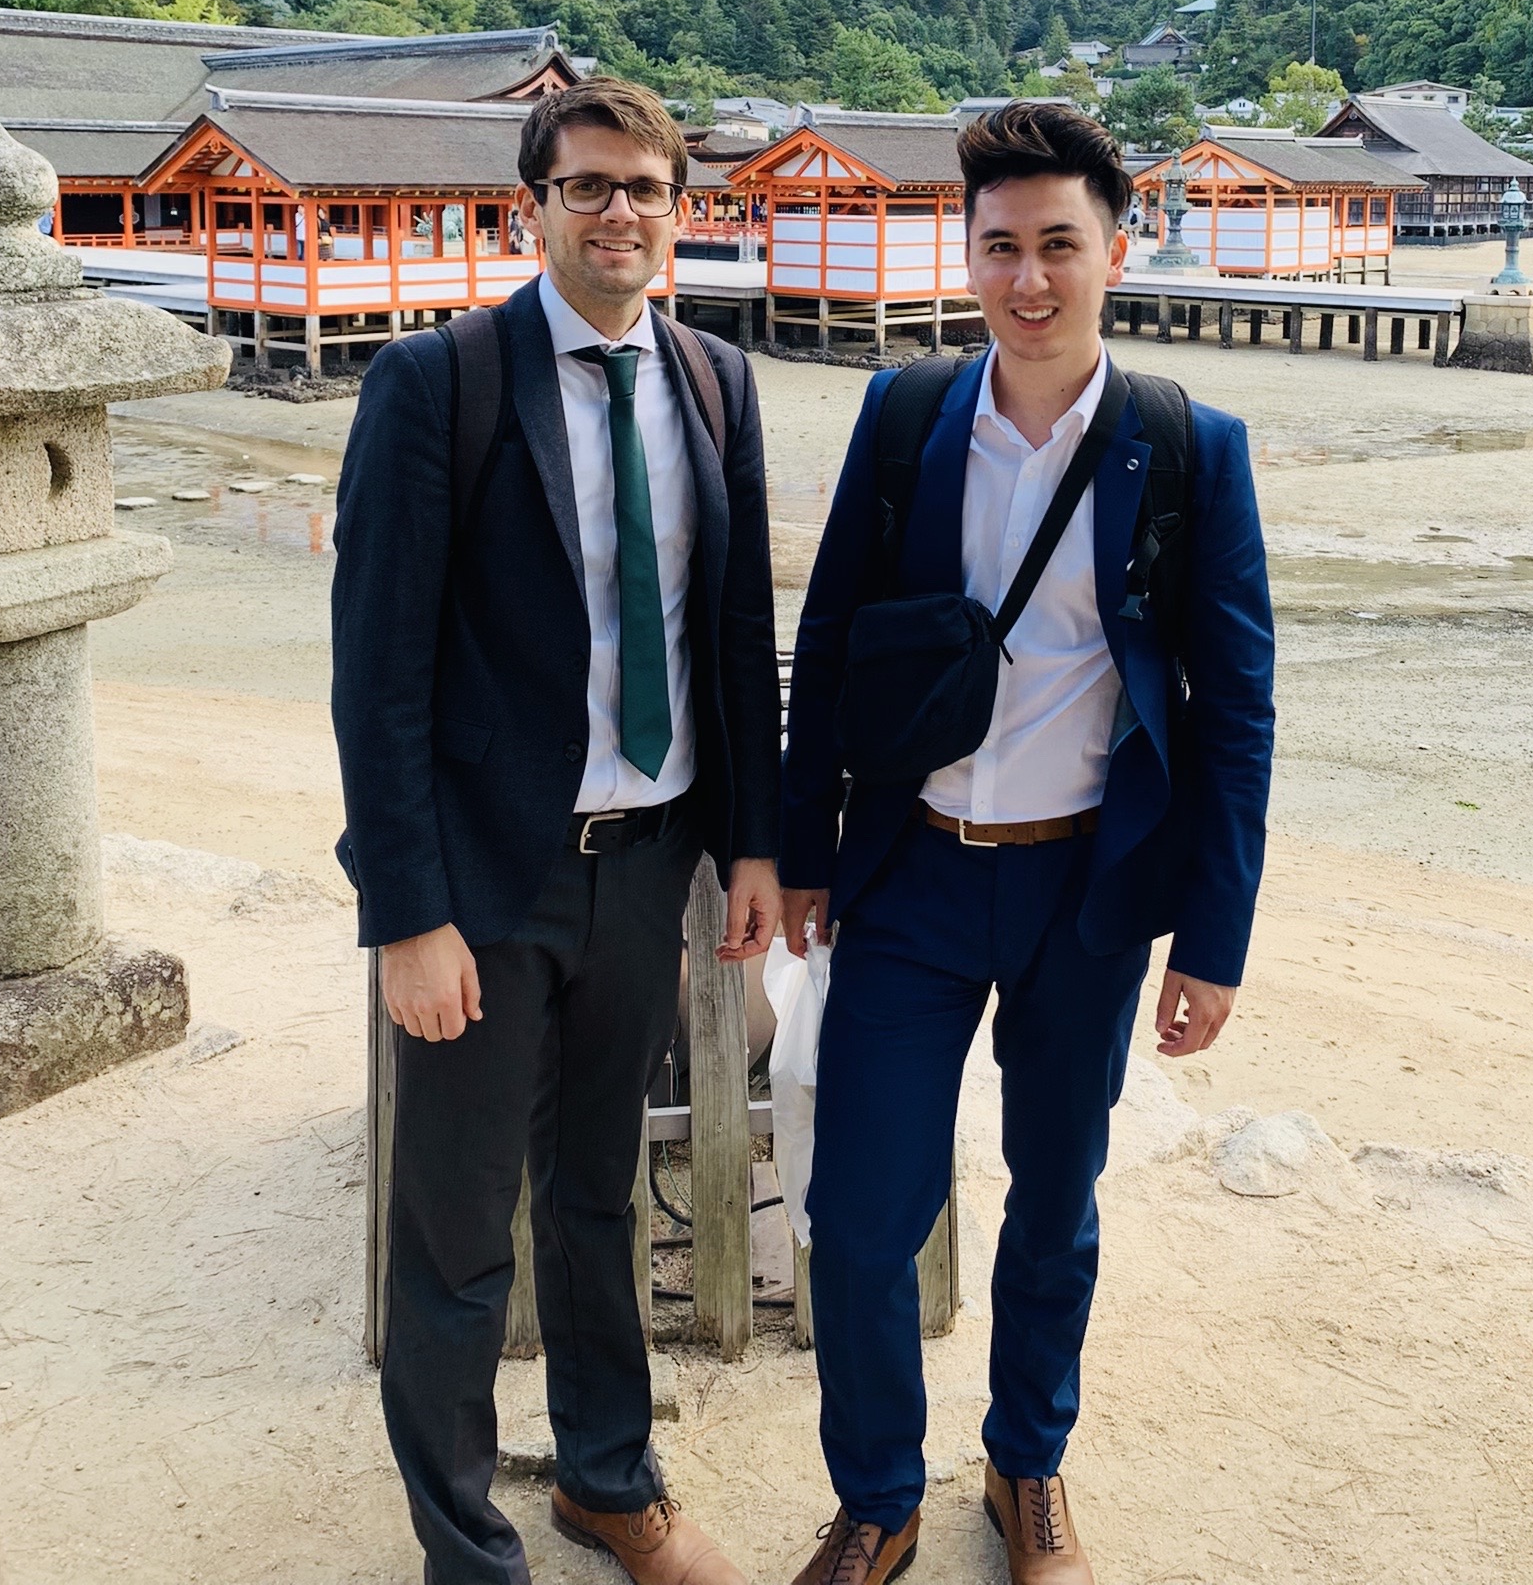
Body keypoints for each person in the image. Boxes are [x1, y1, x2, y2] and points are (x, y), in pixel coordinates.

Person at [779, 102, 1275, 1585]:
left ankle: (1025, 1465)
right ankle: (877, 1494)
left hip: (1085, 888)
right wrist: (802, 850)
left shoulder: (1187, 449)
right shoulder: (907, 419)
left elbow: (1234, 708)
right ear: (968, 253)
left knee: (1054, 1208)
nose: (1029, 277)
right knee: (861, 1214)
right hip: (914, 874)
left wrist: (1213, 940)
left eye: (1060, 243)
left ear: (1116, 248)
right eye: (1000, 246)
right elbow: (830, 644)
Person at [331, 78, 783, 1585]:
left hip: (645, 864)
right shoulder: (441, 382)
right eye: (586, 186)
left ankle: (607, 1481)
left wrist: (757, 842)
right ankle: (467, 1551)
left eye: (644, 188)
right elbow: (376, 671)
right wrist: (407, 912)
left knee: (596, 1201)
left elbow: (732, 637)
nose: (617, 213)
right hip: (485, 882)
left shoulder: (716, 382)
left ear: (678, 209)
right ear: (535, 206)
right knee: (458, 1236)